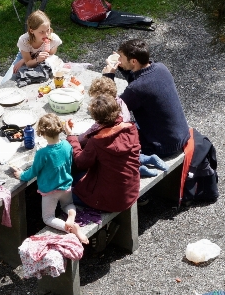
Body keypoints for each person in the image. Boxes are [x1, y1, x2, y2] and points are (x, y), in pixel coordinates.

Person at [103, 39, 190, 158]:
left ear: (133, 61)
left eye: (121, 58)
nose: (118, 60)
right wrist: (123, 66)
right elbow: (140, 79)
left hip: (163, 146)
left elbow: (111, 109)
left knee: (109, 137)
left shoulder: (136, 89)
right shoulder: (160, 68)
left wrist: (108, 77)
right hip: (180, 135)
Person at [12, 114, 89, 244]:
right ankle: (71, 215)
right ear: (60, 129)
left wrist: (22, 175)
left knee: (48, 218)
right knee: (68, 204)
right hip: (66, 186)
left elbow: (33, 172)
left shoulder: (42, 153)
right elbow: (69, 162)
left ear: (42, 133)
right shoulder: (67, 145)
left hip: (50, 191)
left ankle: (69, 228)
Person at [65, 95, 141, 213]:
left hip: (111, 201)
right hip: (130, 191)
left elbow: (80, 162)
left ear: (96, 119)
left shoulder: (97, 141)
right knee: (80, 177)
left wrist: (71, 136)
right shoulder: (131, 128)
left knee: (64, 195)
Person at [87, 76, 168, 177]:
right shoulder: (121, 102)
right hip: (130, 141)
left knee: (112, 158)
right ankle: (149, 159)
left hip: (117, 144)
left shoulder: (108, 113)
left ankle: (139, 169)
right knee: (132, 156)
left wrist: (80, 137)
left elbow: (97, 128)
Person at [1, 10, 62, 83]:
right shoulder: (24, 40)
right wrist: (25, 60)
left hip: (41, 59)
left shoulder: (54, 39)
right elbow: (29, 64)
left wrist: (43, 56)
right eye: (41, 32)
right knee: (6, 82)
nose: (46, 34)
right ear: (32, 31)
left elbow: (51, 54)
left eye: (48, 30)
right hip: (25, 56)